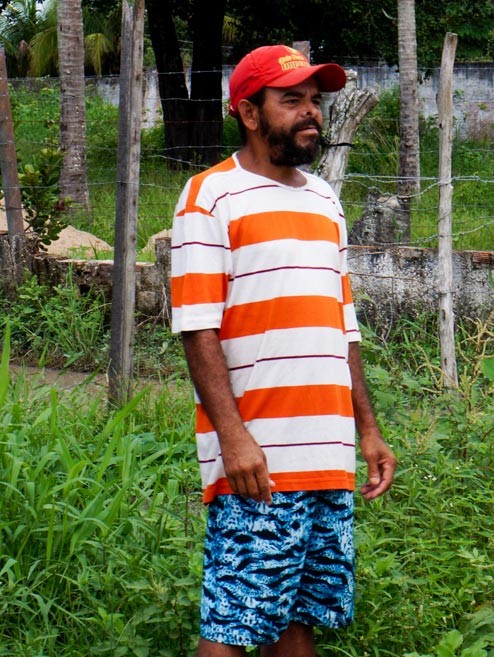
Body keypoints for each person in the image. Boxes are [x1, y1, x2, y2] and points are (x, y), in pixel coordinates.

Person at [170, 45, 397, 657]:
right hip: (259, 460)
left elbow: (342, 325)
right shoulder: (209, 197)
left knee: (299, 621)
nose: (311, 112)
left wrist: (367, 430)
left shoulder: (325, 201)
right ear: (249, 112)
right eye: (291, 100)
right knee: (231, 626)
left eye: (315, 101)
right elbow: (197, 329)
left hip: (327, 452)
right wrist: (234, 438)